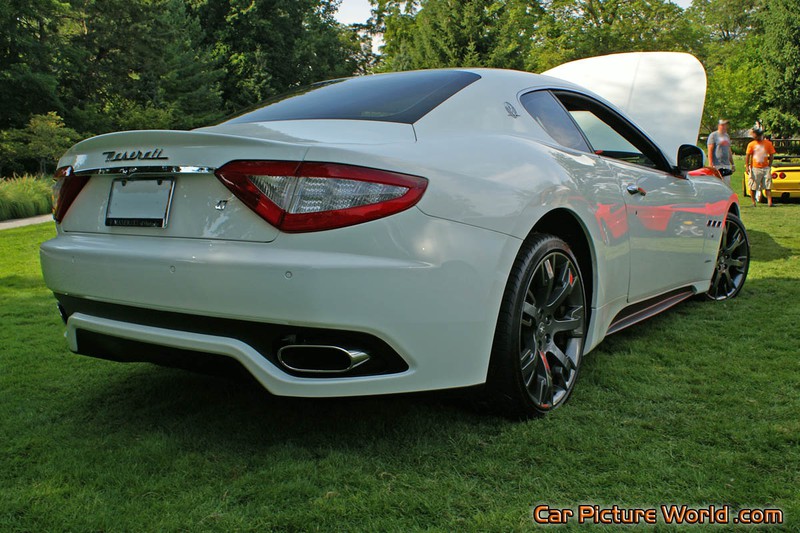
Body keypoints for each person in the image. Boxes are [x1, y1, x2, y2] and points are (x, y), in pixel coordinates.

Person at [745, 120, 776, 207]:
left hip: (765, 167)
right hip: (755, 168)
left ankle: (769, 202)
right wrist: (747, 166)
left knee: (768, 185)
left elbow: (772, 154)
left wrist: (769, 165)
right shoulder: (751, 144)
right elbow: (748, 155)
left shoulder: (768, 143)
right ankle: (753, 202)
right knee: (753, 186)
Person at [707, 119, 735, 185]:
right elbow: (710, 150)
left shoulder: (727, 136)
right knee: (717, 184)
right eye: (723, 125)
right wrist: (711, 164)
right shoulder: (713, 135)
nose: (725, 126)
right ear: (719, 125)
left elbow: (729, 150)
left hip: (726, 164)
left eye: (725, 125)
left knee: (726, 184)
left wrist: (732, 164)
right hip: (716, 164)